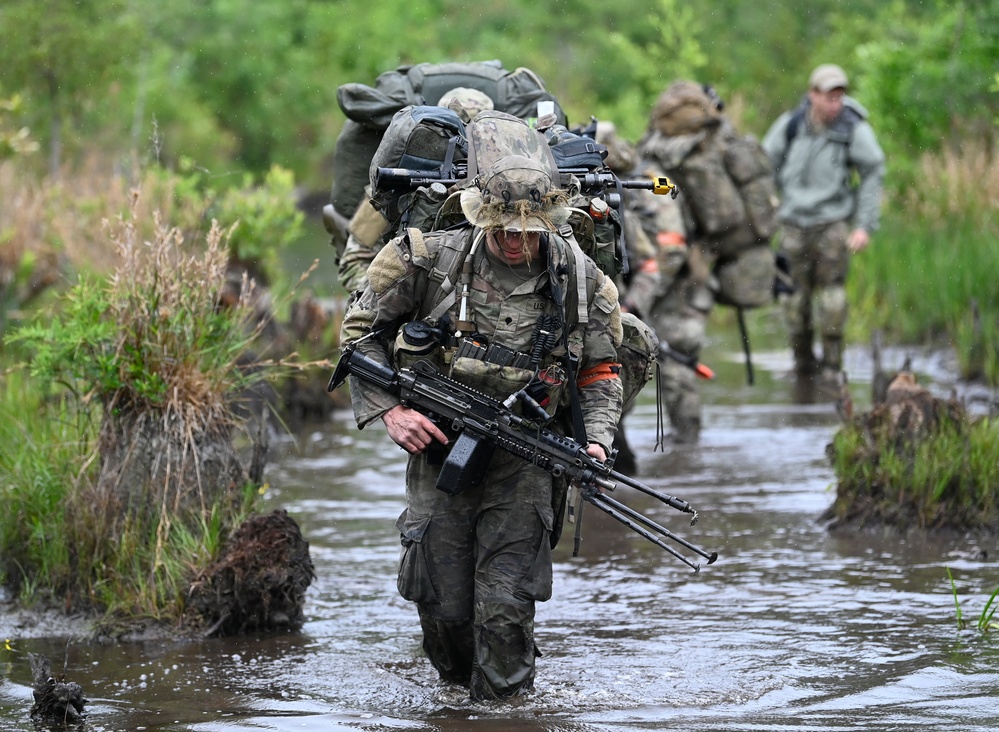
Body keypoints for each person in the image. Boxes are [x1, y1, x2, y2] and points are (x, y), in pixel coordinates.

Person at [339, 153, 624, 699]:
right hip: (440, 451)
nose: (517, 242)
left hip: (527, 459)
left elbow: (600, 369)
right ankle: (459, 701)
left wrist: (596, 441)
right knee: (444, 612)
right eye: (503, 232)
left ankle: (504, 710)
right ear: (480, 219)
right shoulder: (424, 260)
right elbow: (359, 336)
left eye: (529, 233)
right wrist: (390, 411)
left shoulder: (583, 280)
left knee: (504, 611)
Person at [762, 63, 885, 379]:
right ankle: (802, 363)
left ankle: (832, 366)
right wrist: (768, 201)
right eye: (829, 96)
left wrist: (863, 225)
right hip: (792, 225)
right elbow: (762, 164)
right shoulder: (791, 125)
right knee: (792, 298)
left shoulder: (852, 129)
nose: (836, 103)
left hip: (833, 225)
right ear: (813, 95)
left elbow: (873, 170)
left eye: (840, 97)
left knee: (832, 298)